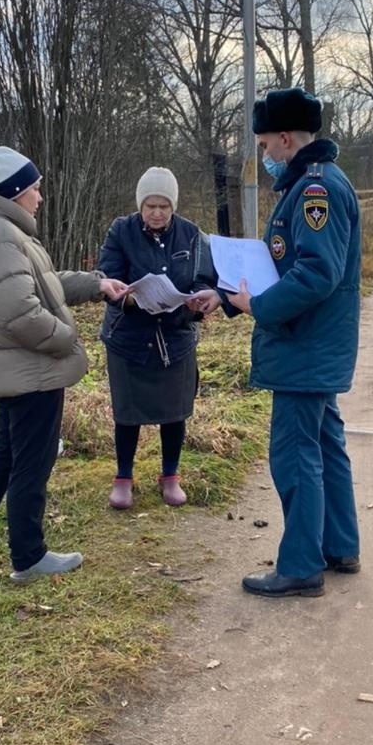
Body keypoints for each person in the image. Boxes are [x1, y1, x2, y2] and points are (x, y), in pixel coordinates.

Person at [189, 87, 361, 598]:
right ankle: (339, 544)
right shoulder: (314, 182)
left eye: (264, 146)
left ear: (286, 139)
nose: (263, 156)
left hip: (303, 345)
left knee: (294, 453)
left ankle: (301, 565)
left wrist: (258, 307)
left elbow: (315, 274)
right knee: (325, 442)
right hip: (312, 344)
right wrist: (228, 294)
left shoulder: (315, 190)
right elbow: (283, 264)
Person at [0, 146, 127, 581]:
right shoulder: (4, 235)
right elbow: (20, 312)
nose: (41, 198)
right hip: (30, 371)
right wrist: (65, 339)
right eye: (36, 189)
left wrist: (98, 284)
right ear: (18, 190)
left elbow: (43, 286)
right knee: (32, 461)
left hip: (10, 368)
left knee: (6, 451)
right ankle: (29, 556)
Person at [97, 166, 217, 510]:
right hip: (129, 337)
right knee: (127, 410)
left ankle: (170, 475)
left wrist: (198, 300)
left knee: (174, 410)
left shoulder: (192, 235)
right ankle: (123, 477)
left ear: (173, 207)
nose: (157, 213)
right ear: (140, 205)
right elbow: (108, 276)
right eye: (150, 205)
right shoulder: (121, 231)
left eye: (164, 206)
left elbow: (204, 278)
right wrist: (129, 297)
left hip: (175, 335)